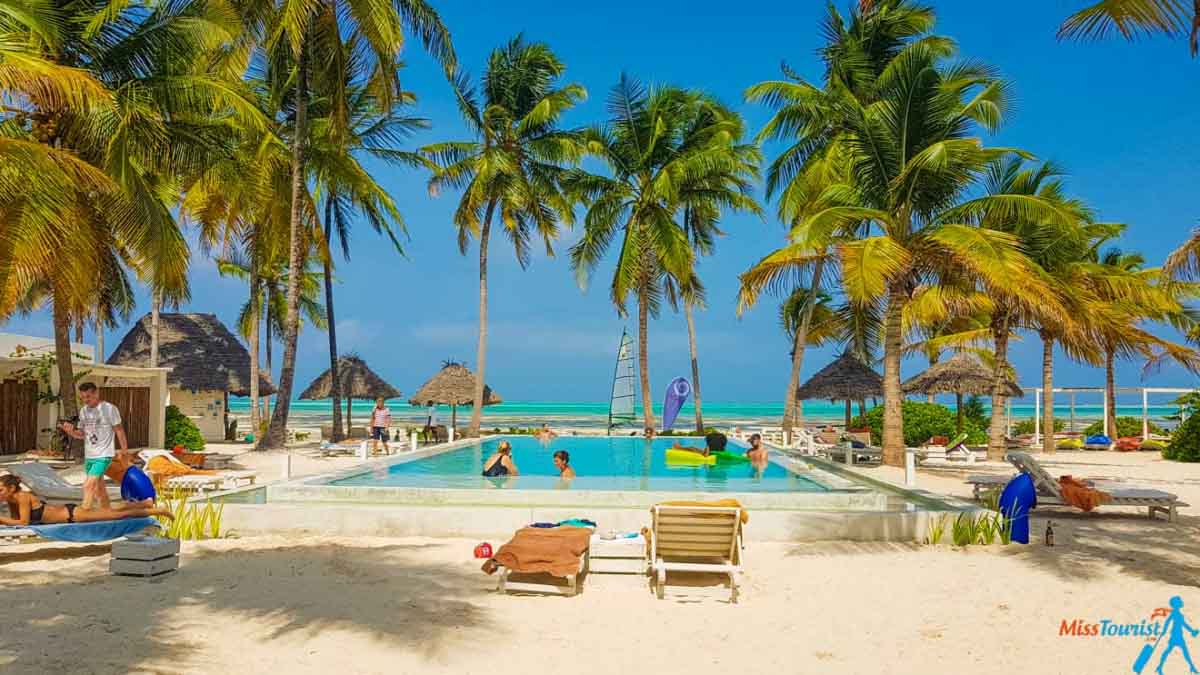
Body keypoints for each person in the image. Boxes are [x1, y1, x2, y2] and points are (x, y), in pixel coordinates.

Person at [0, 475, 173, 526]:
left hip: (72, 515)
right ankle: (146, 504)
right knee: (113, 512)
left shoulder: (22, 497)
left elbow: (23, 523)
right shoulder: (12, 500)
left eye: (0, 490)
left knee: (116, 516)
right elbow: (16, 521)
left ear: (12, 489)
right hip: (67, 513)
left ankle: (157, 511)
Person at [60, 382, 127, 510]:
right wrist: (70, 432)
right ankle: (107, 513)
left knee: (88, 485)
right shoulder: (84, 411)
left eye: (88, 396)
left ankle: (83, 513)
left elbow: (119, 430)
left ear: (97, 393)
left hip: (104, 455)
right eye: (83, 397)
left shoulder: (109, 409)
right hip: (90, 455)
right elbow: (82, 434)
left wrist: (124, 452)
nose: (85, 400)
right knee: (99, 489)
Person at [1156, 595, 1199, 674]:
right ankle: (1192, 667)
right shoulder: (1175, 613)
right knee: (1182, 652)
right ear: (1176, 604)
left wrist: (1192, 630)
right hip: (1176, 635)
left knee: (1170, 651)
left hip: (1178, 635)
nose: (1181, 602)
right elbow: (1168, 621)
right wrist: (1164, 631)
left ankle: (1159, 667)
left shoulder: (1178, 613)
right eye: (1180, 601)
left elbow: (1183, 624)